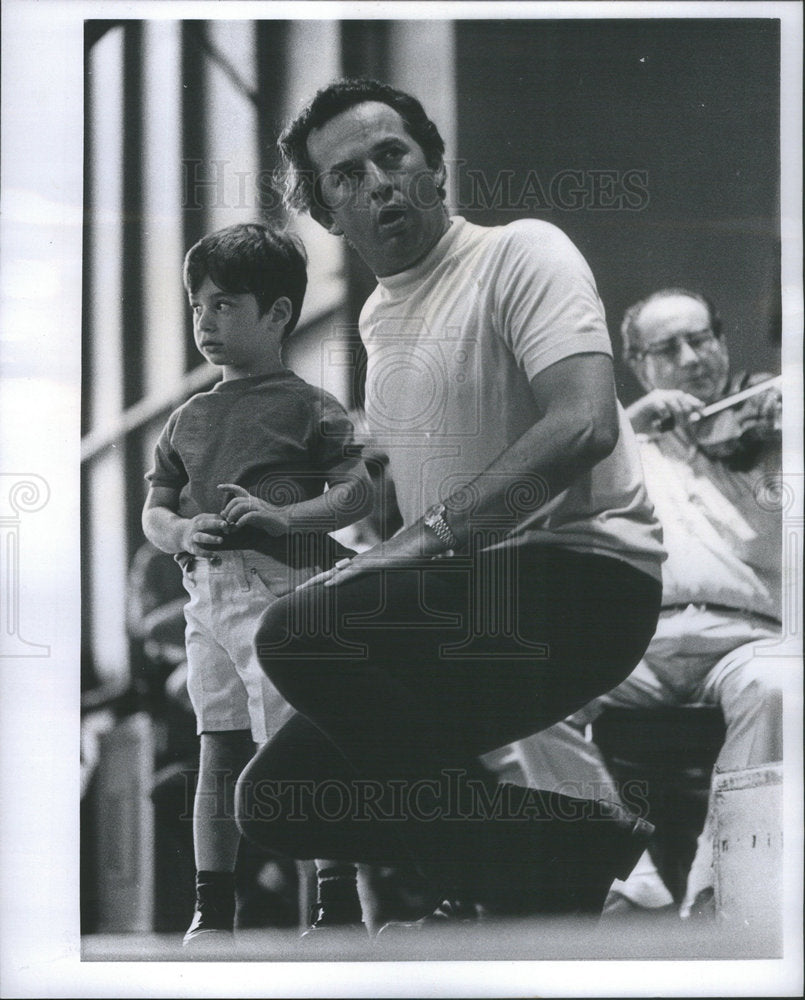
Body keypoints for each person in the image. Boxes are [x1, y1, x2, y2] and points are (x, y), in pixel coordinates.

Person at [234, 78, 667, 929]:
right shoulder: (376, 323)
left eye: (391, 156)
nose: (378, 184)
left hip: (585, 585)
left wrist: (407, 552)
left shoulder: (521, 251)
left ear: (435, 166)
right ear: (327, 216)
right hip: (480, 600)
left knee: (300, 633)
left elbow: (581, 425)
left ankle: (501, 876)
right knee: (277, 798)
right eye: (346, 177)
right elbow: (428, 501)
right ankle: (554, 859)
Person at [517, 287, 784, 920]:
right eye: (669, 348)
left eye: (703, 339)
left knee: (784, 685)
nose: (693, 358)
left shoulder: (776, 434)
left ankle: (719, 886)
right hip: (637, 639)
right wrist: (625, 430)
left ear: (722, 340)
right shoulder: (616, 448)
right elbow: (534, 510)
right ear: (638, 363)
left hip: (750, 639)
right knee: (526, 690)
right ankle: (625, 877)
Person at [141, 221, 373, 946]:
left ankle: (336, 903)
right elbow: (153, 509)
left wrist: (283, 517)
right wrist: (179, 532)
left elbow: (356, 494)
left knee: (305, 740)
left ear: (277, 314)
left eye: (225, 305)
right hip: (206, 595)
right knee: (219, 744)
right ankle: (214, 909)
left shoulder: (310, 406)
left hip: (287, 591)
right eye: (196, 306)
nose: (204, 321)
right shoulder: (186, 417)